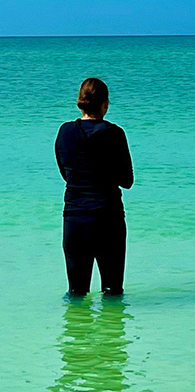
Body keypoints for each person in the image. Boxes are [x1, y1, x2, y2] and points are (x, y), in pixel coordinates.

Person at [55, 78, 133, 296]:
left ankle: (76, 329)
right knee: (112, 291)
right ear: (105, 104)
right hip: (108, 219)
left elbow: (66, 173)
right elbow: (127, 181)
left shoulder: (65, 132)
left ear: (80, 102)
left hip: (74, 220)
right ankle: (112, 329)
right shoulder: (115, 133)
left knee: (76, 293)